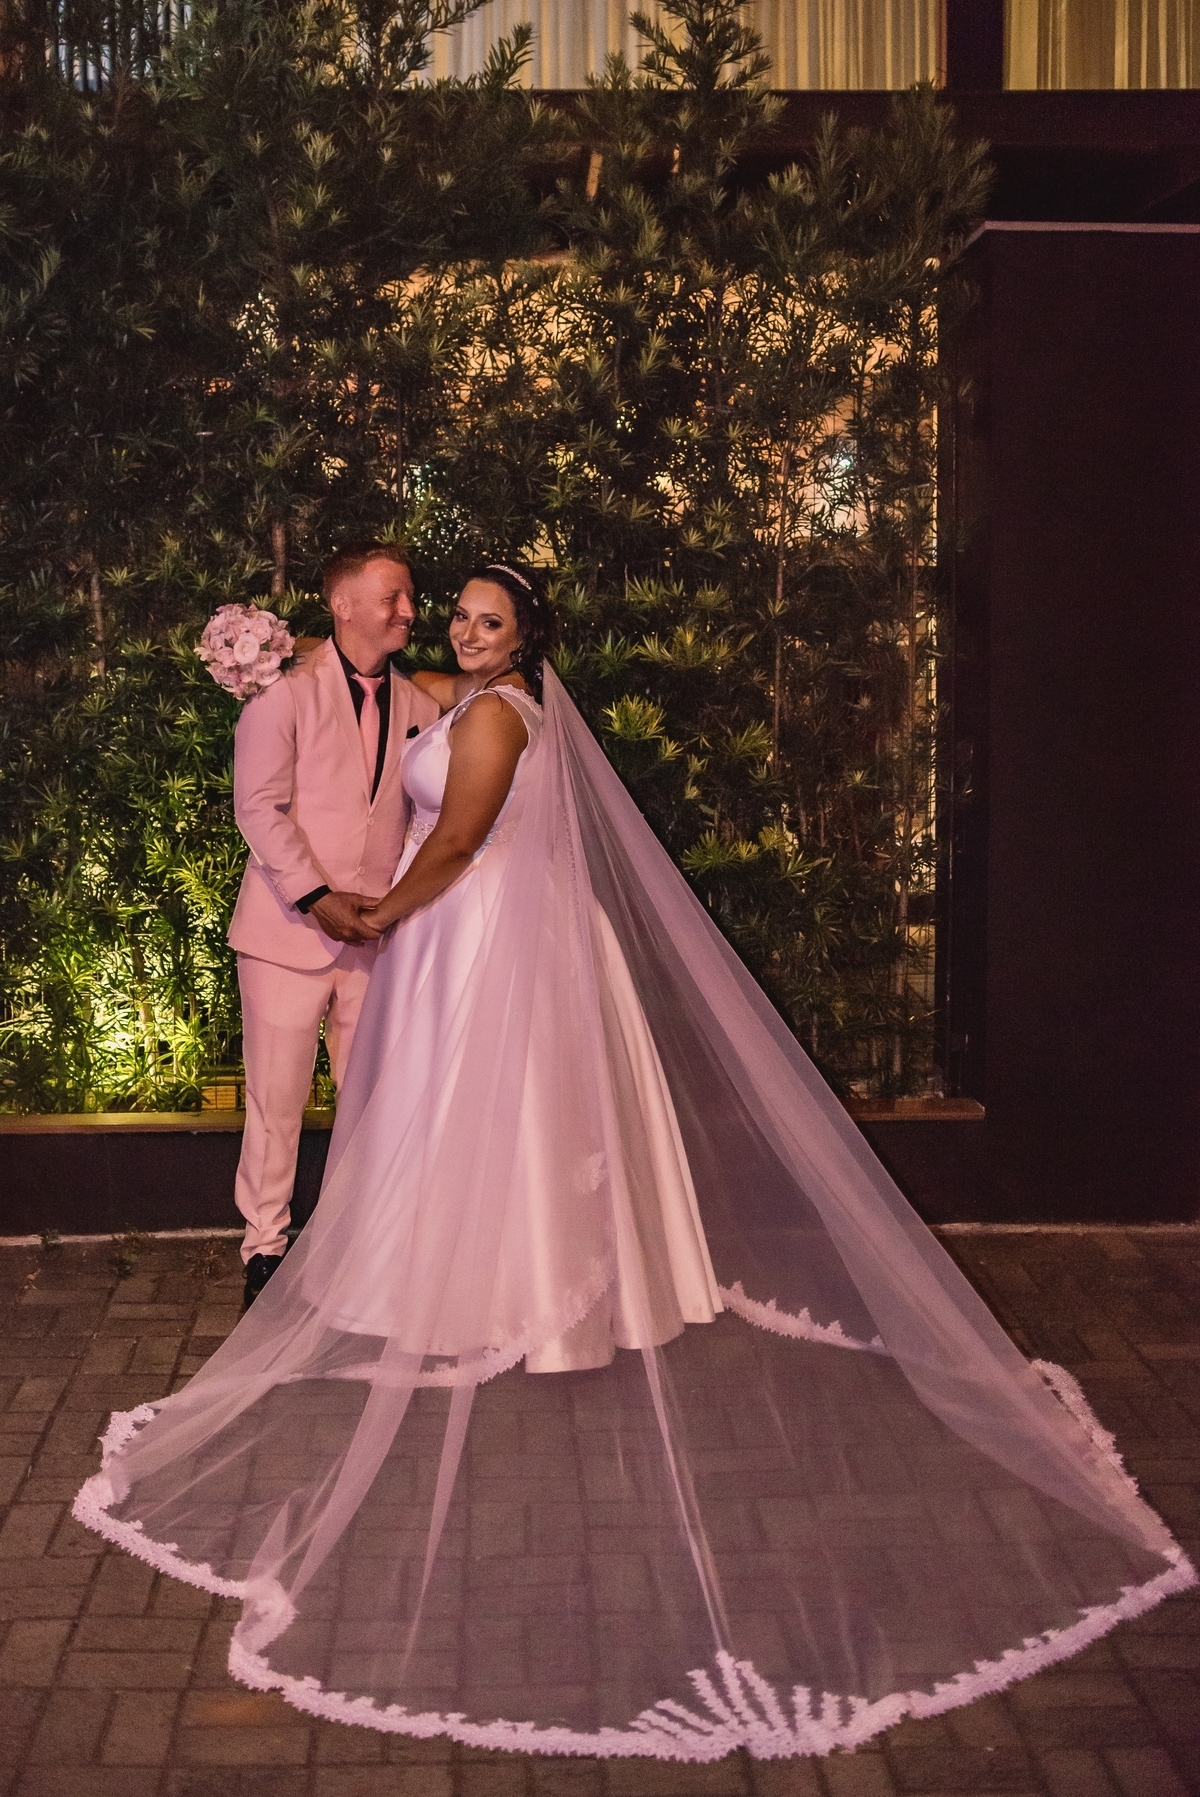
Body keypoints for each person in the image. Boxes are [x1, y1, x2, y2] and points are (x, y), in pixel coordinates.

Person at [76, 564, 1195, 1761]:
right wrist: (290, 642)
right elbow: (365, 696)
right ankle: (387, 1263)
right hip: (433, 934)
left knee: (500, 1112)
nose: (455, 625)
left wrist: (378, 913)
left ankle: (516, 1289)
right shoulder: (439, 691)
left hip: (473, 925)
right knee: (435, 1116)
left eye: (483, 618)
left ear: (528, 640)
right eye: (447, 609)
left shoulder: (500, 715)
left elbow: (456, 839)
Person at [227, 543, 438, 1307]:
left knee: (370, 1099)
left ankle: (363, 1246)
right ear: (343, 603)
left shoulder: (421, 707)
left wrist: (386, 909)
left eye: (409, 597)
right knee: (275, 1102)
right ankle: (265, 1250)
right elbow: (258, 807)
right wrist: (318, 896)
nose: (409, 611)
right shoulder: (283, 692)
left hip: (378, 936)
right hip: (287, 933)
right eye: (392, 597)